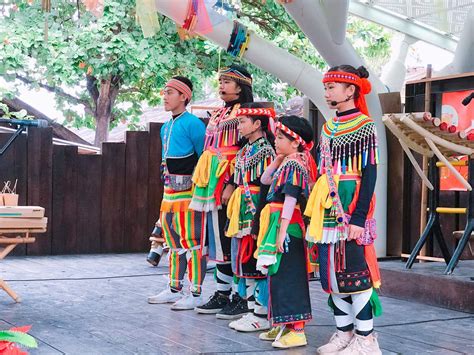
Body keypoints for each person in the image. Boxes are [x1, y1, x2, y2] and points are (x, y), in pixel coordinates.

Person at [304, 65, 382, 354]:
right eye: (325, 87)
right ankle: (344, 333)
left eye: (332, 86)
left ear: (351, 90)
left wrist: (360, 216)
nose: (327, 92)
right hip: (327, 205)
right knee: (332, 272)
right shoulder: (327, 127)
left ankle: (367, 338)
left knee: (355, 272)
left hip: (349, 204)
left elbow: (370, 172)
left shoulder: (365, 125)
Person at [192, 64, 255, 320]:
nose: (221, 86)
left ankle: (242, 296)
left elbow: (246, 151)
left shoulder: (249, 114)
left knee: (233, 237)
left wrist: (232, 182)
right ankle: (222, 293)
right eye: (220, 81)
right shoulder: (219, 113)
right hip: (211, 183)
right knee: (216, 237)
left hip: (232, 183)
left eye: (227, 82)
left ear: (241, 87)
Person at [256, 115, 316, 349]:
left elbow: (290, 199)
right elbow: (265, 179)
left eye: (281, 138)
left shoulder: (294, 163)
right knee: (278, 274)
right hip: (278, 223)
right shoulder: (287, 161)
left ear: (296, 142)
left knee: (289, 276)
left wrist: (281, 233)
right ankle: (284, 324)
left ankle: (297, 330)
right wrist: (278, 158)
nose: (275, 141)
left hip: (287, 224)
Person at [147, 76, 207, 310]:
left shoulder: (193, 124)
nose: (165, 96)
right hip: (169, 194)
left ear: (184, 96)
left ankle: (196, 292)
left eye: (170, 92)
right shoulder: (166, 127)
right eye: (165, 92)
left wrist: (202, 193)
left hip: (190, 193)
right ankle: (174, 288)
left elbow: (204, 159)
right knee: (172, 242)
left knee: (192, 242)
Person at [225, 103, 276, 332]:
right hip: (242, 210)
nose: (239, 125)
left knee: (256, 261)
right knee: (244, 261)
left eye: (243, 121)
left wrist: (260, 219)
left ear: (257, 125)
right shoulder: (246, 150)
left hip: (256, 208)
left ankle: (262, 313)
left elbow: (266, 187)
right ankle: (251, 310)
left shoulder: (266, 150)